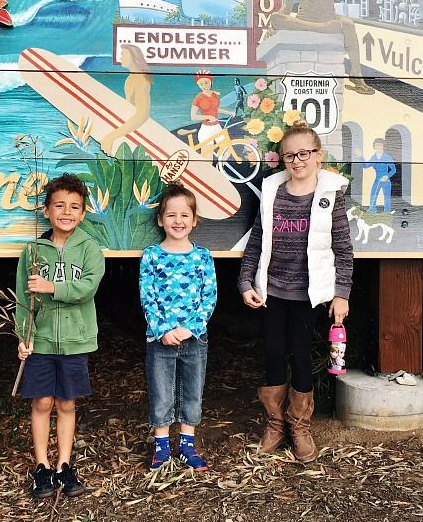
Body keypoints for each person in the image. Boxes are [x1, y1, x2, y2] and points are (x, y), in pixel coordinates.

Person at [238, 120, 353, 462]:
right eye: (290, 155)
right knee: (273, 354)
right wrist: (245, 281)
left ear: (319, 156)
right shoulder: (273, 190)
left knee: (300, 356)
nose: (297, 161)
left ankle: (299, 426)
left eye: (304, 153)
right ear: (282, 160)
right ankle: (275, 424)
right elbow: (257, 238)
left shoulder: (331, 195)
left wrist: (341, 293)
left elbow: (343, 250)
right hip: (272, 291)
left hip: (308, 294)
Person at [15, 173, 105, 499]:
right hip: (40, 340)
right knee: (41, 401)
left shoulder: (89, 248)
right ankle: (42, 467)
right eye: (59, 206)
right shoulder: (34, 250)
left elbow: (86, 288)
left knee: (66, 402)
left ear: (83, 213)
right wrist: (22, 336)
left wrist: (52, 286)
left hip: (75, 339)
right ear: (47, 210)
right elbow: (24, 299)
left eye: (74, 207)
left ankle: (64, 465)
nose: (66, 212)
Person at [139, 183, 217, 471]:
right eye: (171, 215)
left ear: (194, 220)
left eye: (185, 215)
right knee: (161, 391)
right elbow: (148, 297)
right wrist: (163, 329)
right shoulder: (151, 256)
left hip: (194, 338)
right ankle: (161, 446)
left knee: (192, 391)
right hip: (160, 338)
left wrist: (192, 327)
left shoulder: (202, 256)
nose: (178, 221)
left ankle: (187, 445)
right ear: (161, 220)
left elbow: (209, 296)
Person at [101, 43, 153, 156]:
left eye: (123, 54)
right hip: (131, 130)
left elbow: (143, 114)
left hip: (139, 132)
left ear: (134, 57)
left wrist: (111, 137)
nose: (120, 57)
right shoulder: (131, 78)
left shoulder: (140, 79)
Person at [191, 69, 235, 145]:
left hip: (217, 127)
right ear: (199, 85)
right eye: (201, 84)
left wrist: (229, 113)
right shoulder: (198, 97)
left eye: (206, 82)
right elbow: (193, 116)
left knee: (227, 150)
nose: (204, 86)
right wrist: (208, 117)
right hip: (206, 129)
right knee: (208, 156)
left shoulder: (214, 95)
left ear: (211, 82)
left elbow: (216, 109)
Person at [357, 138, 396, 213]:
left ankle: (387, 214)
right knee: (373, 195)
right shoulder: (374, 157)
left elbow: (394, 170)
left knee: (387, 198)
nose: (378, 147)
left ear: (383, 146)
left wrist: (387, 176)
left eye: (380, 145)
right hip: (377, 179)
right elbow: (365, 166)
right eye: (376, 145)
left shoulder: (387, 157)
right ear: (374, 147)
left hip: (386, 181)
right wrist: (360, 156)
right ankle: (372, 212)